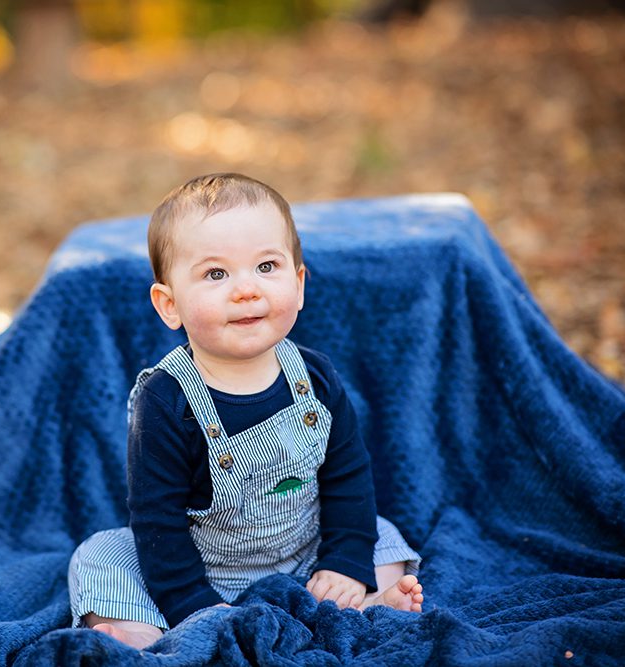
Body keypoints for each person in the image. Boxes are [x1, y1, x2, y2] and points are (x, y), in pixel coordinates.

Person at [68, 173, 424, 650]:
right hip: (200, 563)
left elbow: (347, 474)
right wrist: (193, 601)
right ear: (169, 304)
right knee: (100, 557)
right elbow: (157, 517)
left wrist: (341, 560)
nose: (246, 290)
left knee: (379, 534)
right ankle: (139, 634)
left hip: (305, 548)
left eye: (266, 266)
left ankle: (367, 597)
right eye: (217, 274)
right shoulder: (166, 399)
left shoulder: (314, 377)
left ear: (298, 285)